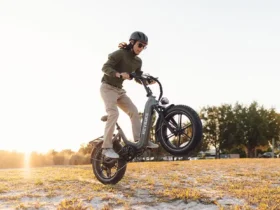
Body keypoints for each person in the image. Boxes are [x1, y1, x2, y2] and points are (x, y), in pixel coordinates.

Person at [100, 31, 159, 159]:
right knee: (114, 113)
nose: (141, 48)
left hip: (119, 91)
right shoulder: (120, 54)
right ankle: (106, 147)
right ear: (132, 42)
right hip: (107, 88)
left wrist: (149, 81)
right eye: (140, 45)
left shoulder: (138, 61)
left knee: (133, 111)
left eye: (144, 46)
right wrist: (118, 74)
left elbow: (138, 77)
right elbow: (105, 67)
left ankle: (140, 140)